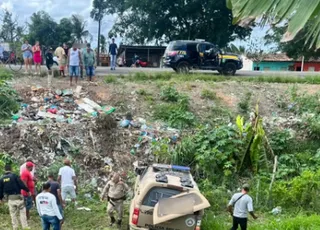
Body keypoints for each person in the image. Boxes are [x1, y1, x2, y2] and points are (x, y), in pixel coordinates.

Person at [0, 164, 31, 230]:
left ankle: (15, 228)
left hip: (10, 199)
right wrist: (28, 191)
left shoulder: (2, 178)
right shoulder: (14, 176)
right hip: (18, 198)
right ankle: (25, 227)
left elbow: (1, 189)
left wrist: (0, 198)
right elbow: (21, 184)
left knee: (13, 214)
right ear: (11, 169)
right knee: (22, 213)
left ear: (5, 170)